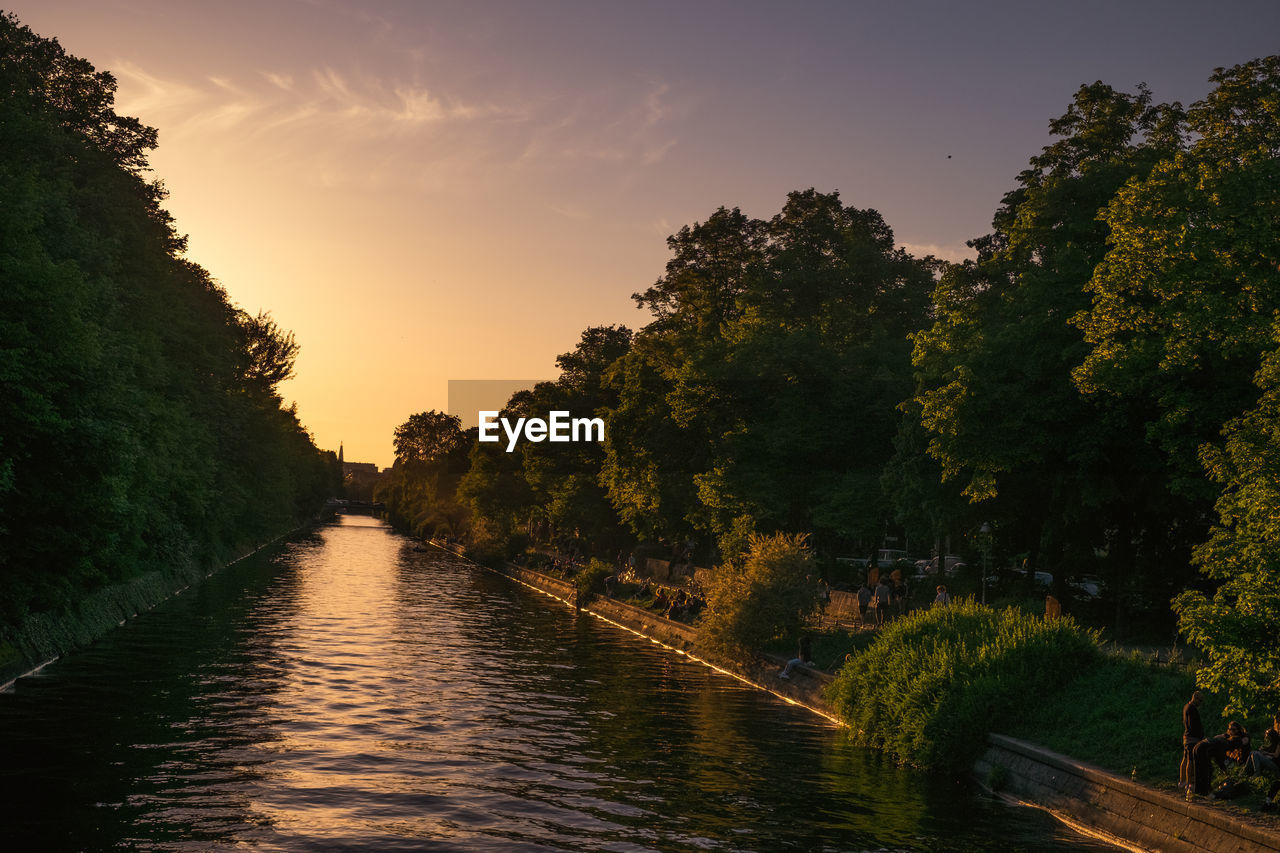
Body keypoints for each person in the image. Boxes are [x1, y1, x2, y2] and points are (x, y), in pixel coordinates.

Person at [1191, 720, 1250, 797]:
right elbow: (1219, 758)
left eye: (1233, 730)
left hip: (1201, 746)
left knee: (1204, 768)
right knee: (1206, 770)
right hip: (1203, 747)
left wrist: (1223, 768)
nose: (1231, 731)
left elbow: (1218, 756)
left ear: (1238, 730)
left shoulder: (1225, 738)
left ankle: (1199, 792)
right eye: (1230, 729)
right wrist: (1224, 769)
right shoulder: (1232, 741)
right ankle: (1203, 792)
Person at [1180, 691, 1205, 790]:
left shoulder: (1186, 706)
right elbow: (1192, 725)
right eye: (1200, 700)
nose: (1201, 703)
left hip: (1186, 737)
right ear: (1195, 698)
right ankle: (1189, 783)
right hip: (1192, 738)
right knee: (1191, 760)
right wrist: (1199, 736)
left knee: (1185, 759)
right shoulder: (1192, 709)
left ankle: (1182, 781)